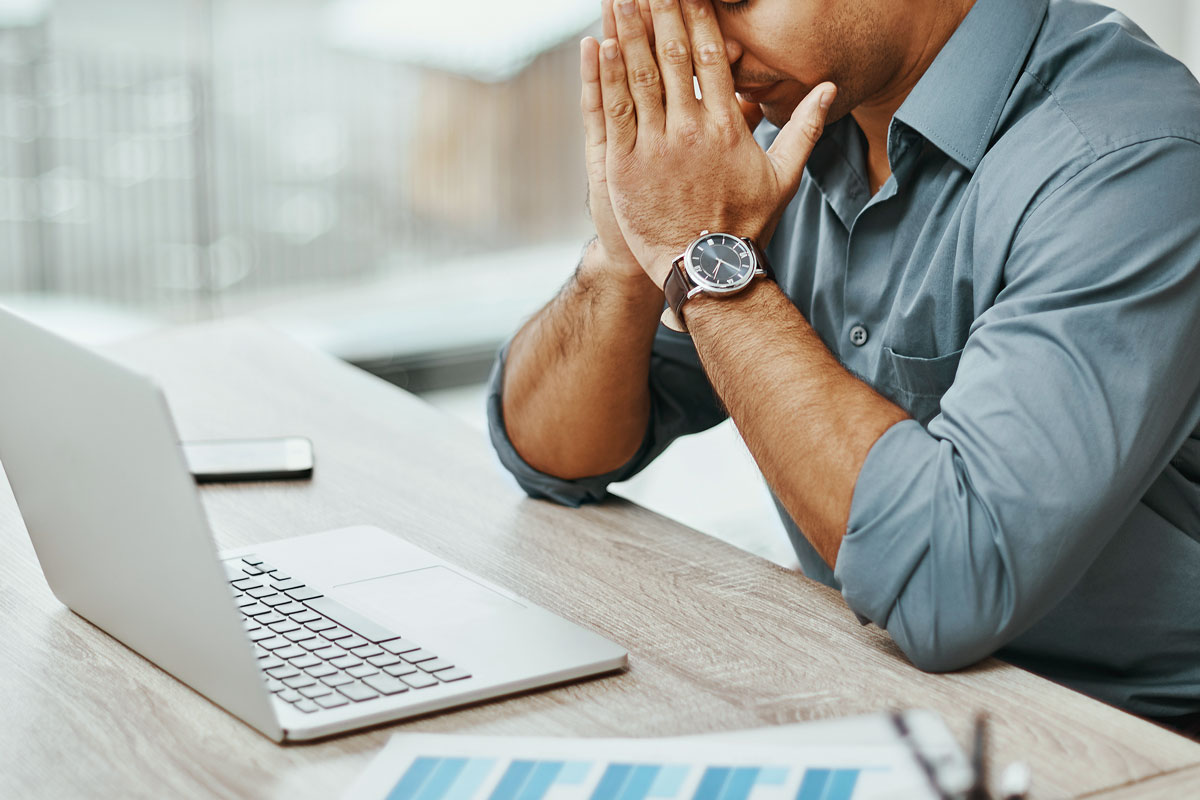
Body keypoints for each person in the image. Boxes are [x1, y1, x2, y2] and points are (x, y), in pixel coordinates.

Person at [487, 0, 1200, 733]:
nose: (711, 49)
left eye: (731, 2)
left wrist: (706, 262)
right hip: (879, 697)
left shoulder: (1129, 158)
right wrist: (626, 254)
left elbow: (945, 586)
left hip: (1134, 741)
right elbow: (551, 454)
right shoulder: (780, 131)